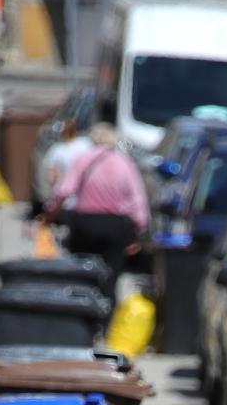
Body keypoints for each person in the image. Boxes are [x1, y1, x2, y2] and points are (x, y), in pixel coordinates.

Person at [45, 123, 150, 297]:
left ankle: (82, 310)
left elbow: (63, 191)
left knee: (82, 272)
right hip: (115, 225)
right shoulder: (124, 162)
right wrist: (138, 230)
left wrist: (50, 213)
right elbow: (137, 200)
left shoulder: (82, 159)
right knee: (111, 275)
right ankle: (105, 316)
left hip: (85, 223)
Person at [41, 118, 92, 190]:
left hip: (64, 190)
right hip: (83, 190)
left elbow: (52, 177)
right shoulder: (85, 143)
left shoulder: (56, 150)